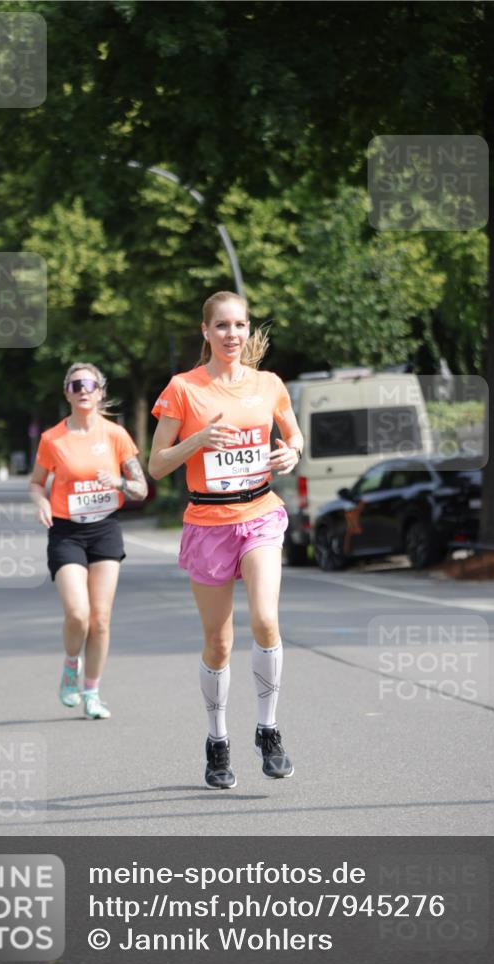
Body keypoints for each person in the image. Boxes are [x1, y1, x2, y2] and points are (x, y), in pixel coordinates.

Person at [149, 291, 304, 789]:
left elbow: (294, 436)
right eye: (221, 326)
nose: (232, 334)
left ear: (246, 329)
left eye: (239, 325)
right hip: (208, 522)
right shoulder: (183, 389)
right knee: (218, 642)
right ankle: (217, 741)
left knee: (266, 618)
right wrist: (196, 441)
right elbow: (156, 464)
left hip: (260, 512)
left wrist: (291, 455)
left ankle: (268, 729)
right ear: (206, 332)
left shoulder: (269, 384)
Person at [29, 362, 148, 720]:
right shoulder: (53, 439)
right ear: (67, 392)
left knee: (101, 619)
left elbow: (141, 488)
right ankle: (70, 665)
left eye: (90, 384)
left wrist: (119, 482)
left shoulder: (115, 435)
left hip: (105, 529)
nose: (83, 389)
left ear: (100, 392)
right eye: (76, 384)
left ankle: (92, 691)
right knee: (78, 614)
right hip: (67, 531)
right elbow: (36, 483)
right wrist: (42, 502)